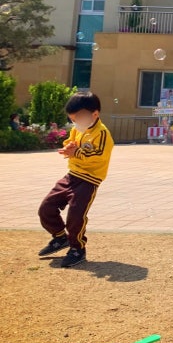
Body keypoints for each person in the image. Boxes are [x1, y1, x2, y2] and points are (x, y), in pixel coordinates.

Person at [37, 91, 114, 268]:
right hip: (71, 175)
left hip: (89, 179)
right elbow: (70, 142)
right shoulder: (77, 130)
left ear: (94, 114)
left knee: (76, 215)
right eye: (73, 120)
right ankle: (59, 237)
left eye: (78, 119)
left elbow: (99, 155)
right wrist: (69, 146)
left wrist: (76, 152)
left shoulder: (102, 133)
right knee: (46, 207)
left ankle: (77, 248)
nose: (75, 123)